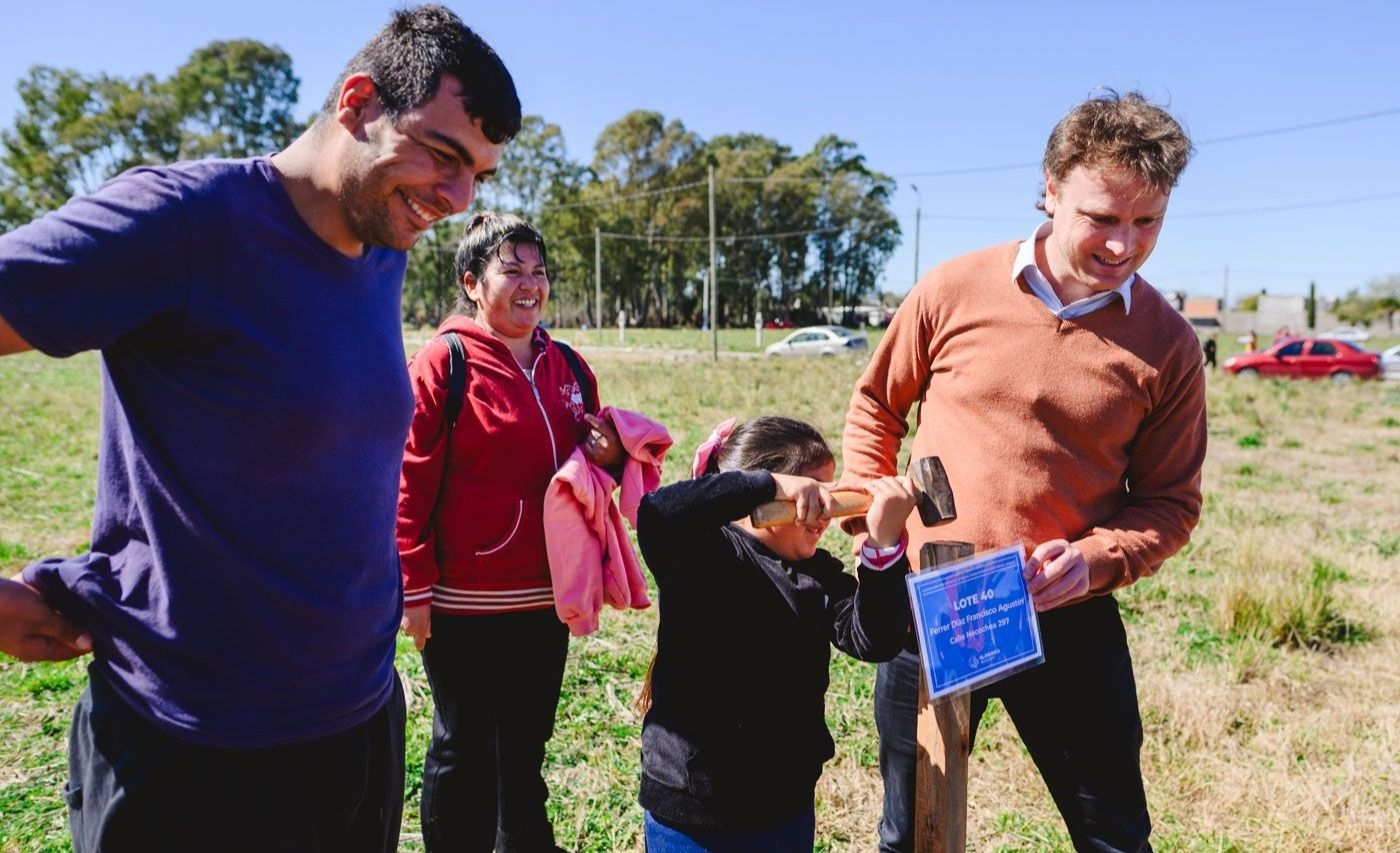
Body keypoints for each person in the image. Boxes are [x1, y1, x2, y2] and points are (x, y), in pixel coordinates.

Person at [0, 7, 519, 852]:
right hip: (191, 749)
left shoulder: (382, 244)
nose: (459, 199)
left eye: (480, 176)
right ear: (358, 102)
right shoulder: (184, 220)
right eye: (442, 153)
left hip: (356, 726)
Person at [841, 90, 1207, 852]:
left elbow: (1170, 503)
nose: (1124, 244)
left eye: (1148, 221)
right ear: (1050, 188)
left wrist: (1094, 559)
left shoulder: (1169, 345)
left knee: (1114, 835)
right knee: (911, 835)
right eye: (1103, 217)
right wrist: (872, 529)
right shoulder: (953, 288)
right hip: (931, 607)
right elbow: (876, 405)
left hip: (1066, 616)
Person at [397, 211, 622, 852]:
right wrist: (414, 588)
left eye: (539, 271)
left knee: (525, 747)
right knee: (463, 746)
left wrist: (609, 456)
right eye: (512, 270)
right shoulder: (445, 363)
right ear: (472, 283)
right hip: (462, 600)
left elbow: (590, 471)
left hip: (547, 594)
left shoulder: (568, 365)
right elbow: (407, 481)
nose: (531, 284)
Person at [635, 416, 920, 852]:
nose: (825, 515)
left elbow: (876, 639)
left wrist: (883, 546)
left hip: (784, 808)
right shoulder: (706, 554)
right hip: (693, 814)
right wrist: (769, 485)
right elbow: (659, 513)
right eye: (812, 497)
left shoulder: (818, 575)